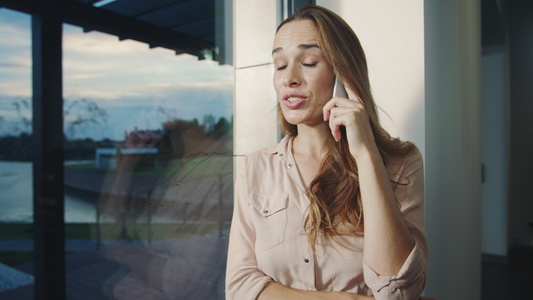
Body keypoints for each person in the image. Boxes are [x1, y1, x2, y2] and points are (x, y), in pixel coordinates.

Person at [226, 5, 427, 300]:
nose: (288, 78)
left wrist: (367, 155)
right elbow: (240, 286)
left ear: (343, 74)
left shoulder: (401, 161)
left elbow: (399, 289)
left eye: (308, 62)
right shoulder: (256, 166)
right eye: (280, 65)